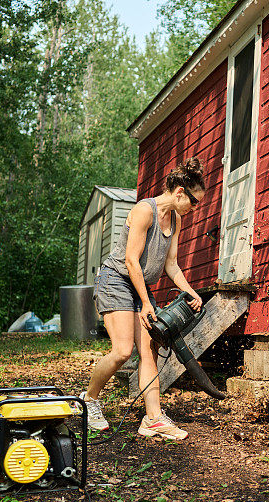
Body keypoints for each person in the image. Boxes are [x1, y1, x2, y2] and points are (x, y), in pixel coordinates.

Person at [80, 157, 206, 440]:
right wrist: (147, 303)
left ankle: (153, 419)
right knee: (123, 351)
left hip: (139, 286)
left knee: (147, 350)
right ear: (179, 193)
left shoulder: (174, 219)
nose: (194, 209)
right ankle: (88, 401)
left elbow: (171, 265)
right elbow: (131, 261)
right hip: (116, 280)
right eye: (194, 203)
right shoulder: (143, 211)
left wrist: (190, 291)